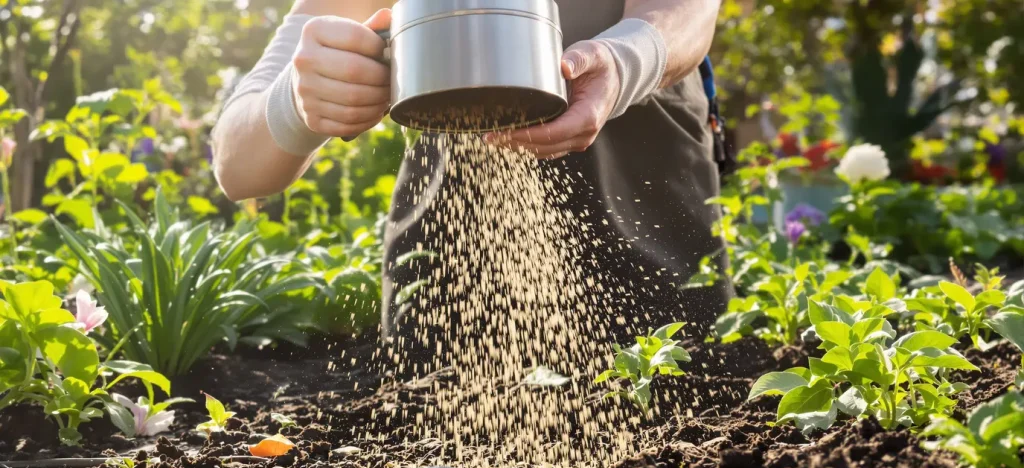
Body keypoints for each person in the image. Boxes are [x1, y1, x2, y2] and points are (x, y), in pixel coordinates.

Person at [212, 0, 733, 355]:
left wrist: (622, 63)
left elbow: (687, 13)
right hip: (450, 274)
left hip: (649, 239)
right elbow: (236, 163)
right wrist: (296, 103)